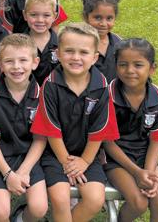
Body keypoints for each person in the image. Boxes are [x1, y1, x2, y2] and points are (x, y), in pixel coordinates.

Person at [30, 22, 119, 222]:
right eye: (69, 51)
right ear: (58, 54)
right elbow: (51, 130)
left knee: (95, 200)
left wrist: (84, 161)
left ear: (94, 57)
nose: (76, 57)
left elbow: (99, 131)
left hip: (88, 154)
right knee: (60, 199)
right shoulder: (50, 85)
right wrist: (67, 163)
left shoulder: (101, 86)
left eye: (83, 52)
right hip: (55, 155)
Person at [103, 39, 158, 222]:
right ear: (116, 66)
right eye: (123, 64)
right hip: (114, 159)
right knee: (138, 203)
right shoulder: (107, 97)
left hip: (144, 157)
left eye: (138, 65)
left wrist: (148, 173)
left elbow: (156, 141)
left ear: (152, 68)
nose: (130, 70)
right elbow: (108, 143)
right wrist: (137, 173)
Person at [0, 34, 48, 222]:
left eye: (23, 60)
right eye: (9, 61)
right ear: (1, 65)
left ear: (35, 63)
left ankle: (20, 218)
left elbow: (40, 139)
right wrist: (8, 174)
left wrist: (24, 171)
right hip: (0, 160)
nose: (16, 67)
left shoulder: (42, 95)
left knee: (39, 209)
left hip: (29, 158)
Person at [82, 0, 123, 81]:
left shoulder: (120, 44)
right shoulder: (77, 43)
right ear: (86, 17)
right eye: (98, 18)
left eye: (109, 18)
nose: (103, 24)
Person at [24, 0, 60, 85]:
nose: (40, 20)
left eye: (46, 15)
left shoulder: (61, 44)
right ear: (25, 15)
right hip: (27, 93)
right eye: (34, 15)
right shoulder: (17, 45)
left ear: (54, 16)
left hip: (54, 93)